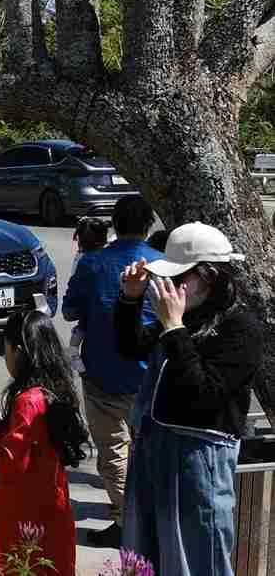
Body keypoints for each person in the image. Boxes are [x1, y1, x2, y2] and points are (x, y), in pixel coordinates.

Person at [117, 222, 261, 576]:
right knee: (145, 555)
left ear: (209, 276)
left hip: (199, 458)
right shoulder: (187, 315)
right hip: (155, 449)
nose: (171, 288)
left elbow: (204, 394)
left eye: (180, 278)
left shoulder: (240, 327)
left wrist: (176, 329)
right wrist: (130, 300)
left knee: (196, 559)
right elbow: (130, 346)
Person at [61, 195, 162, 547]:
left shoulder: (93, 263)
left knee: (114, 452)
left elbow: (70, 312)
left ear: (114, 225)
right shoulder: (164, 264)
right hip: (153, 378)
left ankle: (124, 521)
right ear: (149, 224)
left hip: (104, 375)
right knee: (146, 450)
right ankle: (147, 520)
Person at [0, 310, 87, 576]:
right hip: (51, 503)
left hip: (24, 512)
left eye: (6, 350)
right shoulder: (57, 388)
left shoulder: (28, 401)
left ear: (18, 351)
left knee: (23, 567)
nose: (5, 357)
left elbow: (9, 463)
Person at [66, 217, 110, 375]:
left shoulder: (82, 259)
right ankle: (73, 354)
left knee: (81, 329)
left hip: (86, 307)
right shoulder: (104, 258)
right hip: (95, 307)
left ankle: (74, 354)